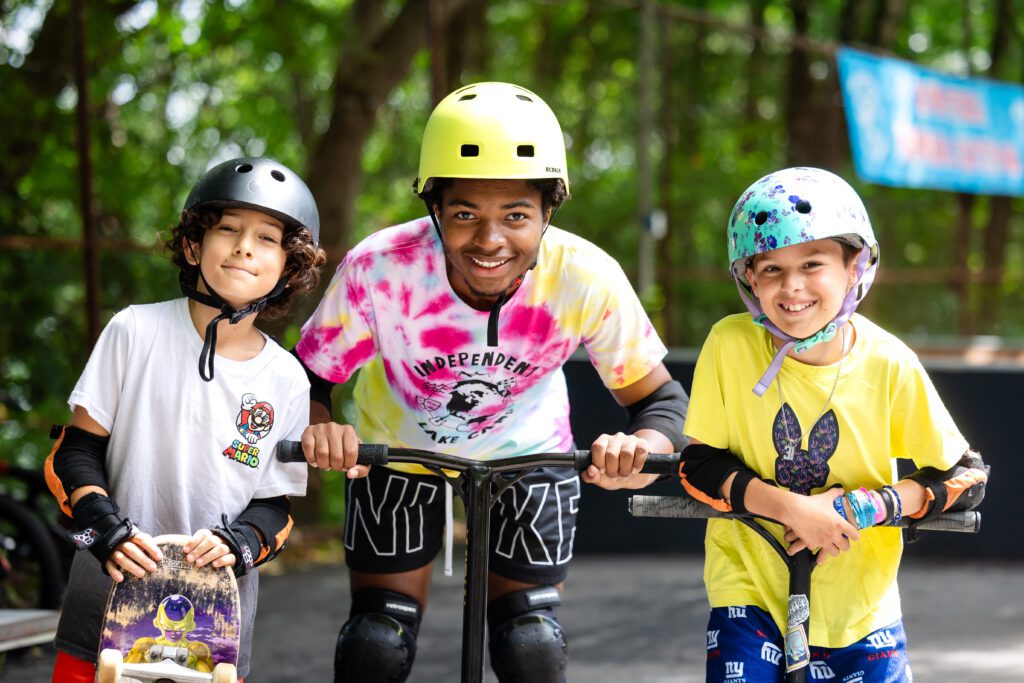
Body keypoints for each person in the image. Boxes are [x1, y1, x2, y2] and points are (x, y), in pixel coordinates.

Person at [293, 81, 689, 682]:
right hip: (397, 449)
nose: (489, 240)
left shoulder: (585, 277)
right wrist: (321, 427)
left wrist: (642, 448)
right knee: (376, 641)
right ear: (434, 209)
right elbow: (307, 380)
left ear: (549, 212)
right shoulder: (381, 268)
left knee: (530, 644)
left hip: (527, 453)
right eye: (463, 214)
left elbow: (662, 402)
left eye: (517, 216)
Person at [675, 167, 990, 681]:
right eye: (771, 268)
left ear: (855, 266)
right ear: (748, 278)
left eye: (812, 263)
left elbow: (967, 476)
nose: (791, 286)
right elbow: (698, 466)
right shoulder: (729, 345)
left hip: (862, 610)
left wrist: (865, 506)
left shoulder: (889, 362)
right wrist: (794, 510)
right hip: (749, 593)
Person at [44, 157, 325, 682]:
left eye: (267, 238)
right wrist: (104, 531)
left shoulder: (286, 378)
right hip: (104, 609)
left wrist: (238, 544)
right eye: (228, 229)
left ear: (289, 267)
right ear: (195, 245)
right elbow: (74, 453)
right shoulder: (134, 330)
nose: (245, 246)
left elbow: (275, 505)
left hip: (213, 627)